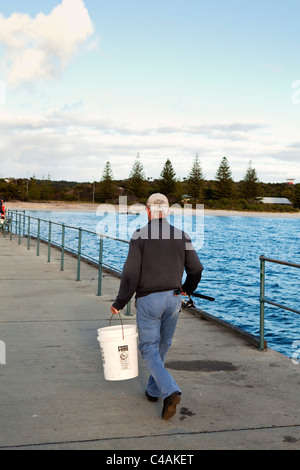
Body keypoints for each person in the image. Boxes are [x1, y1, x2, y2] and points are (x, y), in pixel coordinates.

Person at [111, 193, 203, 420]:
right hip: (173, 299)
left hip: (149, 299)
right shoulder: (182, 236)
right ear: (169, 211)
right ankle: (153, 391)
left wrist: (120, 301)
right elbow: (196, 269)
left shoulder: (140, 236)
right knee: (162, 345)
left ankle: (170, 390)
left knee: (149, 348)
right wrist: (186, 289)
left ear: (148, 210)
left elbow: (130, 273)